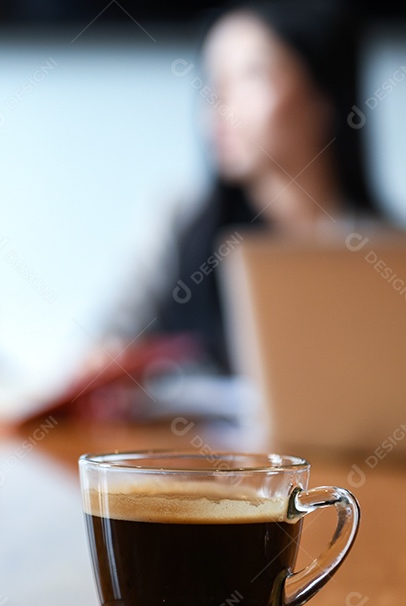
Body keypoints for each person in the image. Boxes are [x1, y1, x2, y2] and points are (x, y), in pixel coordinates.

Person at [154, 1, 383, 374]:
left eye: (251, 75)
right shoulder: (181, 224)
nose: (218, 102)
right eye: (212, 79)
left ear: (322, 97)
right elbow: (104, 352)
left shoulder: (404, 258)